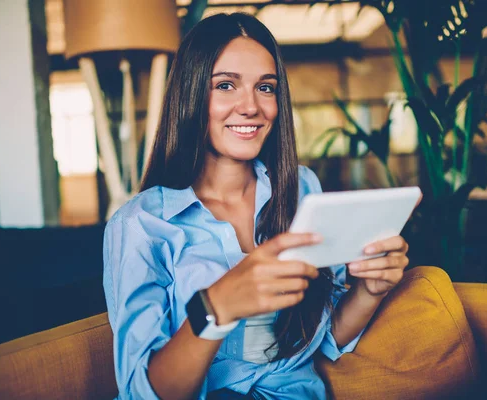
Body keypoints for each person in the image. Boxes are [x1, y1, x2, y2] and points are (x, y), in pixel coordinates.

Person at [103, 12, 410, 400]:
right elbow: (143, 393)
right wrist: (216, 307)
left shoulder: (301, 188)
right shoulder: (142, 224)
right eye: (226, 85)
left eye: (266, 88)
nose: (250, 107)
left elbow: (324, 335)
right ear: (192, 93)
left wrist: (371, 287)